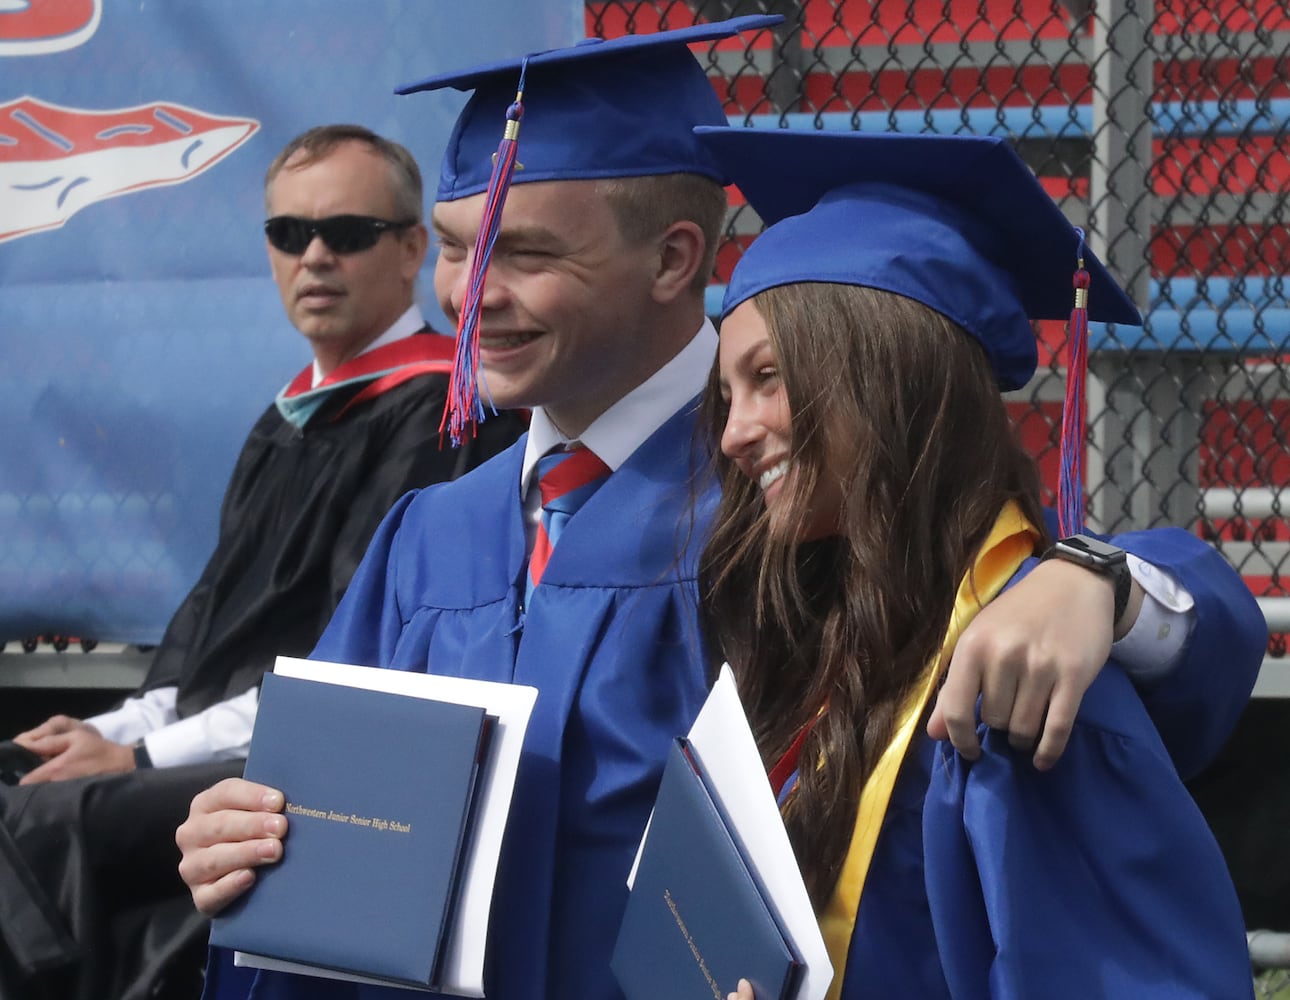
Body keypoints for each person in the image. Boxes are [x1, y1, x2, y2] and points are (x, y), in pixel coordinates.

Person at [175, 19, 1263, 1000]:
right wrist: (252, 848)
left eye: (527, 250)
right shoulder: (429, 538)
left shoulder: (791, 514)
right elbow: (326, 875)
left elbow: (1039, 607)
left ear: (676, 259)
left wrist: (1104, 583)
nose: (471, 295)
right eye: (457, 248)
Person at [691, 126, 1262, 999]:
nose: (733, 433)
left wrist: (1101, 581)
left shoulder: (1019, 688)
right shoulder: (833, 638)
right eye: (728, 394)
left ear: (892, 377)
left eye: (768, 378)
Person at [0, 124, 524, 1000]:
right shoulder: (285, 420)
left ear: (409, 251)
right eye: (289, 234)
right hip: (201, 751)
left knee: (42, 821)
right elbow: (208, 633)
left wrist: (132, 761)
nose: (315, 255)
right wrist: (121, 731)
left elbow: (347, 670)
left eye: (346, 232)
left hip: (301, 767)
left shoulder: (440, 418)